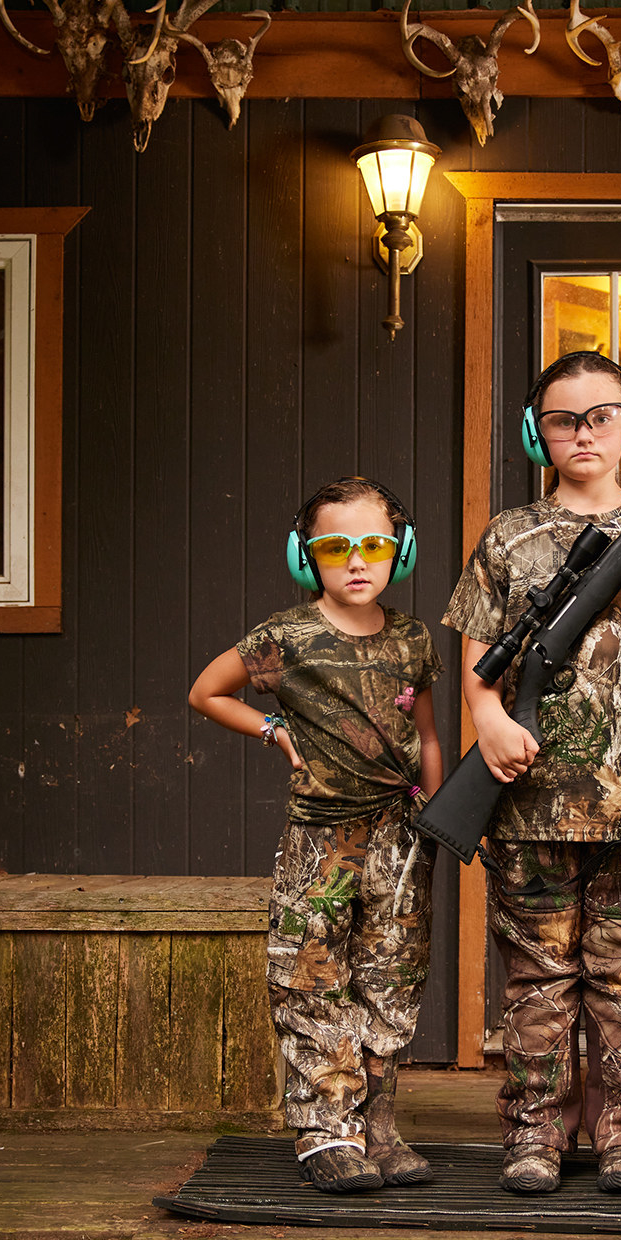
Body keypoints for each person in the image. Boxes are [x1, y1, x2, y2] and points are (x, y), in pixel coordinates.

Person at [443, 352, 621, 1196]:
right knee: (536, 980)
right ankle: (533, 1136)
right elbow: (477, 652)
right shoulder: (509, 534)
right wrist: (486, 720)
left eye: (601, 416)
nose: (583, 433)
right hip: (528, 801)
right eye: (562, 418)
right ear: (535, 430)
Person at [188, 478, 444, 1194]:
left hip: (400, 837)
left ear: (401, 551)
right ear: (308, 557)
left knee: (392, 974)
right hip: (321, 840)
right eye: (335, 546)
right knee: (312, 977)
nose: (356, 561)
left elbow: (425, 733)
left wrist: (437, 809)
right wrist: (270, 727)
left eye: (374, 545)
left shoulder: (413, 638)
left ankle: (377, 1123)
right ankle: (326, 1130)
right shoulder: (287, 637)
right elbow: (207, 690)